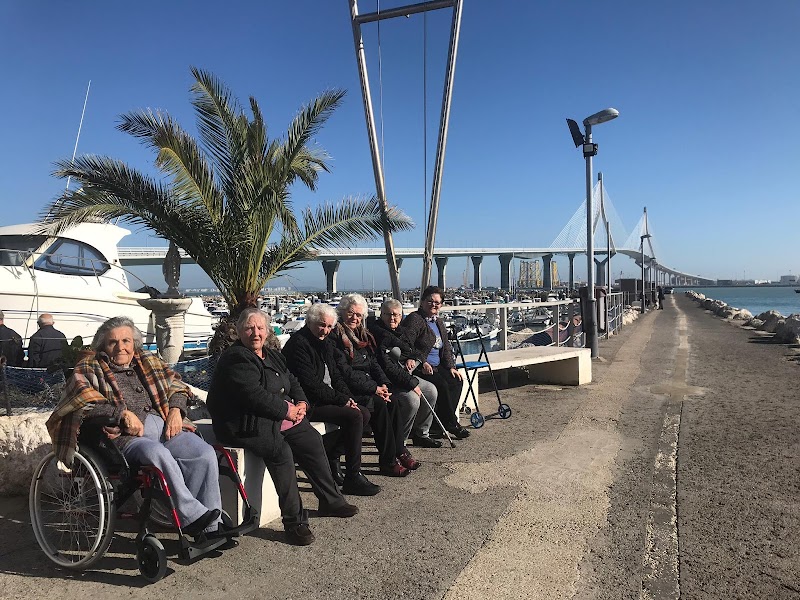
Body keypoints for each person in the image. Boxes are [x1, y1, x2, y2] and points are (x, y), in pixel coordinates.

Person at [46, 316, 224, 538]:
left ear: (134, 343)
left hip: (164, 428)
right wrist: (120, 413)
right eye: (113, 342)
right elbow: (81, 403)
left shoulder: (147, 360)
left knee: (203, 452)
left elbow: (176, 384)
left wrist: (177, 410)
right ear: (103, 346)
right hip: (123, 438)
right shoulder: (89, 368)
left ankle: (211, 526)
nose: (121, 347)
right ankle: (191, 517)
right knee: (156, 453)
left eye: (126, 341)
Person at [207, 308, 358, 547]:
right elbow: (252, 395)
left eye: (260, 328)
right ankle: (294, 522)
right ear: (239, 332)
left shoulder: (271, 354)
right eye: (249, 328)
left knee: (310, 439)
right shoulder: (236, 358)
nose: (255, 333)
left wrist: (301, 403)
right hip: (243, 423)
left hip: (273, 416)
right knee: (281, 452)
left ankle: (330, 499)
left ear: (267, 331)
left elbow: (292, 380)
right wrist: (286, 410)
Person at [282, 303, 381, 496]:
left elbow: (336, 377)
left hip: (326, 397)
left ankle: (333, 454)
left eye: (328, 326)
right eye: (321, 325)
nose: (325, 330)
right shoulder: (299, 344)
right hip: (308, 402)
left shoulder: (326, 343)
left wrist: (348, 398)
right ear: (310, 322)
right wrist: (342, 401)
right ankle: (353, 476)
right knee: (354, 417)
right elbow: (311, 384)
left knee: (364, 413)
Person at [330, 294, 417, 476]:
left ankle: (398, 450)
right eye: (351, 313)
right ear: (342, 312)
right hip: (349, 388)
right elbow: (345, 373)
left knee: (392, 401)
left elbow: (373, 363)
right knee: (379, 405)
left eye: (359, 315)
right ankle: (388, 461)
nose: (355, 318)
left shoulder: (363, 335)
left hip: (368, 384)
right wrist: (374, 389)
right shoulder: (336, 337)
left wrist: (383, 384)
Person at [367, 298, 442, 449]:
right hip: (390, 380)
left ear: (401, 317)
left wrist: (412, 358)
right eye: (388, 314)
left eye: (396, 315)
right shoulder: (378, 335)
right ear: (381, 315)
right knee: (412, 400)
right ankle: (400, 442)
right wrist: (411, 383)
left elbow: (413, 351)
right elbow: (387, 366)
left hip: (405, 375)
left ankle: (421, 433)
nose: (392, 318)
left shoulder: (402, 333)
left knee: (431, 390)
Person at [398, 286, 469, 440]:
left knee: (456, 381)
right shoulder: (415, 319)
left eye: (437, 303)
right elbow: (406, 343)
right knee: (442, 384)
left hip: (438, 366)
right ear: (422, 302)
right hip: (420, 367)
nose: (433, 305)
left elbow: (446, 348)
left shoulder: (439, 322)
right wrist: (421, 361)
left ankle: (439, 425)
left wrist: (451, 367)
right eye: (430, 301)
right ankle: (451, 423)